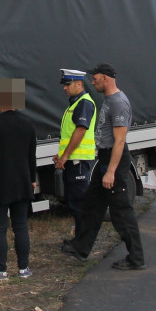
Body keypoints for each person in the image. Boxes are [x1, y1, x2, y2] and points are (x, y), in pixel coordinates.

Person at [60, 62, 145, 271]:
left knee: (121, 211)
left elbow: (120, 141)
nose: (92, 82)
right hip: (105, 158)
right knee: (91, 204)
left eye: (95, 79)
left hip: (114, 159)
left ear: (105, 79)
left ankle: (136, 258)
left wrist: (111, 171)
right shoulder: (108, 99)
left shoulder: (118, 103)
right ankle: (81, 247)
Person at [0, 78, 37, 280]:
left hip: (0, 183)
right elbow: (31, 157)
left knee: (0, 226)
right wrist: (33, 179)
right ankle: (24, 269)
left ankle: (1, 270)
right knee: (21, 226)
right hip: (22, 181)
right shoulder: (28, 124)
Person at [53, 68, 97, 238]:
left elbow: (80, 131)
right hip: (73, 160)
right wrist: (62, 154)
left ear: (79, 84)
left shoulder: (84, 103)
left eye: (68, 84)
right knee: (73, 202)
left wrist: (65, 156)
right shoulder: (74, 104)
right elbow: (69, 134)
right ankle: (80, 241)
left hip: (78, 161)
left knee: (79, 203)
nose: (65, 88)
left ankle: (83, 243)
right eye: (64, 85)